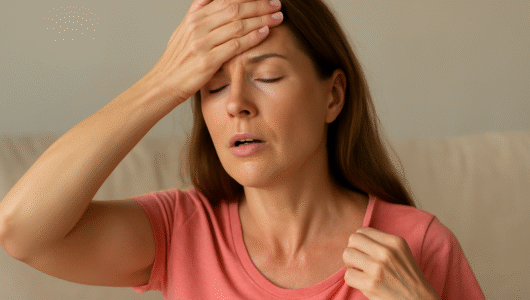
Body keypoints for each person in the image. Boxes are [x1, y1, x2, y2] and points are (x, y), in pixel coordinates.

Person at [0, 0, 486, 299]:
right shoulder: (182, 231)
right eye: (211, 87)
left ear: (333, 96)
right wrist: (164, 81)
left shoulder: (417, 246)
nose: (236, 104)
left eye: (267, 76)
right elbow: (22, 231)